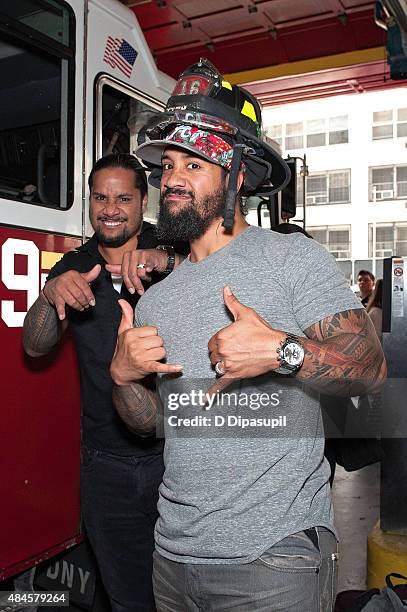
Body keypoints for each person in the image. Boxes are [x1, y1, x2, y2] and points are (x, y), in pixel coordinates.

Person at [110, 59, 386, 611]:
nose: (173, 179)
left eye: (195, 162)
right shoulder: (158, 295)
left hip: (272, 561)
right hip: (172, 559)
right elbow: (157, 424)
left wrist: (283, 351)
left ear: (237, 174)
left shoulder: (291, 259)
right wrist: (122, 380)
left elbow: (372, 371)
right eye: (167, 165)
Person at [22, 153, 185, 612]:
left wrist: (168, 261)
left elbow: (217, 275)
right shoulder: (75, 265)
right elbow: (35, 347)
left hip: (180, 458)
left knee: (188, 594)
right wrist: (50, 295)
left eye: (123, 197)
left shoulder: (177, 251)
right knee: (128, 597)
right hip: (106, 462)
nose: (110, 208)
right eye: (100, 197)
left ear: (143, 201)